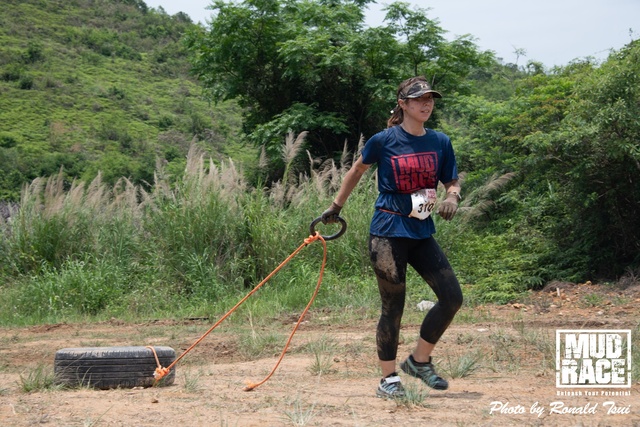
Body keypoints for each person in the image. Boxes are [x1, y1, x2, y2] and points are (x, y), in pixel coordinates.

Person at [320, 76, 463, 399]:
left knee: (452, 297)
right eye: (419, 99)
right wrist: (335, 207)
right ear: (403, 105)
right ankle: (388, 378)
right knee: (393, 307)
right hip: (387, 233)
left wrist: (452, 196)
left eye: (430, 98)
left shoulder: (440, 141)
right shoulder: (384, 140)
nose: (426, 104)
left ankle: (419, 361)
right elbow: (357, 170)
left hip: (421, 231)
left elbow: (451, 181)